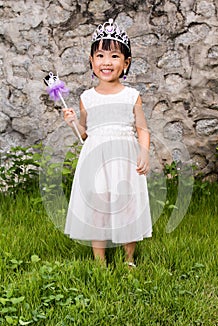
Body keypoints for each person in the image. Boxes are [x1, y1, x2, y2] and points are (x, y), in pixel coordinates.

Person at [63, 18, 152, 267]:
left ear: (126, 63)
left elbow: (142, 129)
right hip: (96, 157)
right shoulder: (86, 98)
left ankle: (129, 259)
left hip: (124, 157)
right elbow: (85, 134)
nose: (106, 62)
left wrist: (144, 152)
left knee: (127, 206)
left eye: (114, 56)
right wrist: (73, 123)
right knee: (97, 208)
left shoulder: (132, 96)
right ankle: (99, 261)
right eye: (100, 55)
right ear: (91, 61)